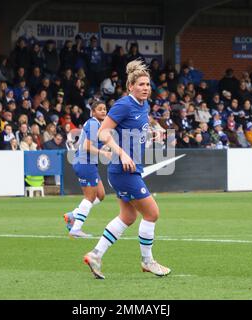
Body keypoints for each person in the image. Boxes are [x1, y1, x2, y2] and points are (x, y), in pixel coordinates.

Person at [83, 60, 171, 279]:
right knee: (152, 213)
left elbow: (136, 128)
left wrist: (151, 134)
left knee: (128, 216)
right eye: (141, 84)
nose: (145, 88)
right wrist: (121, 152)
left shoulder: (144, 106)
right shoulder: (124, 104)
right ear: (130, 86)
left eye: (148, 84)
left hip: (128, 170)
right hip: (122, 170)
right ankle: (147, 261)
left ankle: (95, 254)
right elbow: (103, 133)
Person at [64, 102, 111, 238]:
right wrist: (104, 153)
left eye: (104, 109)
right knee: (90, 197)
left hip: (89, 163)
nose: (103, 111)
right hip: (85, 163)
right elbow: (86, 146)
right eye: (100, 109)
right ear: (93, 112)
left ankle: (73, 214)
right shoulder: (93, 124)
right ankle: (76, 229)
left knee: (100, 195)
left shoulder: (96, 125)